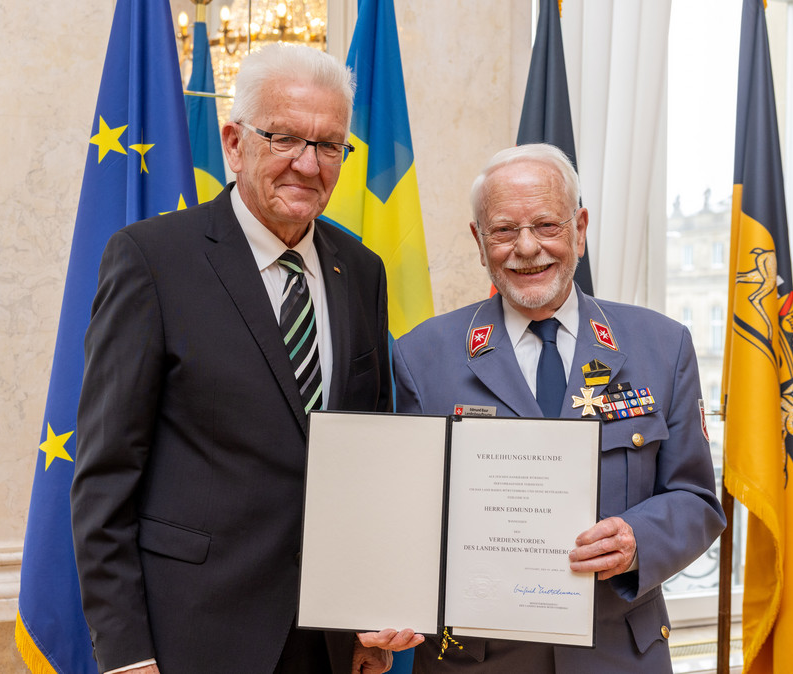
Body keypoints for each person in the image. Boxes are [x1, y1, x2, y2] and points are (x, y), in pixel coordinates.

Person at [71, 44, 418, 674]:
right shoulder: (152, 261)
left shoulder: (361, 269)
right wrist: (125, 654)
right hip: (194, 637)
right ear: (234, 142)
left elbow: (365, 464)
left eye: (330, 145)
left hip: (327, 641)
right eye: (284, 137)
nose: (308, 165)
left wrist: (366, 624)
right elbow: (105, 476)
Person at [392, 144, 726, 672]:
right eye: (503, 231)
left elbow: (696, 499)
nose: (527, 248)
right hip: (479, 660)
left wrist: (639, 539)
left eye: (547, 225)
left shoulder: (661, 345)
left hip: (618, 654)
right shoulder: (421, 355)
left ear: (580, 229)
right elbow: (401, 513)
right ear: (480, 242)